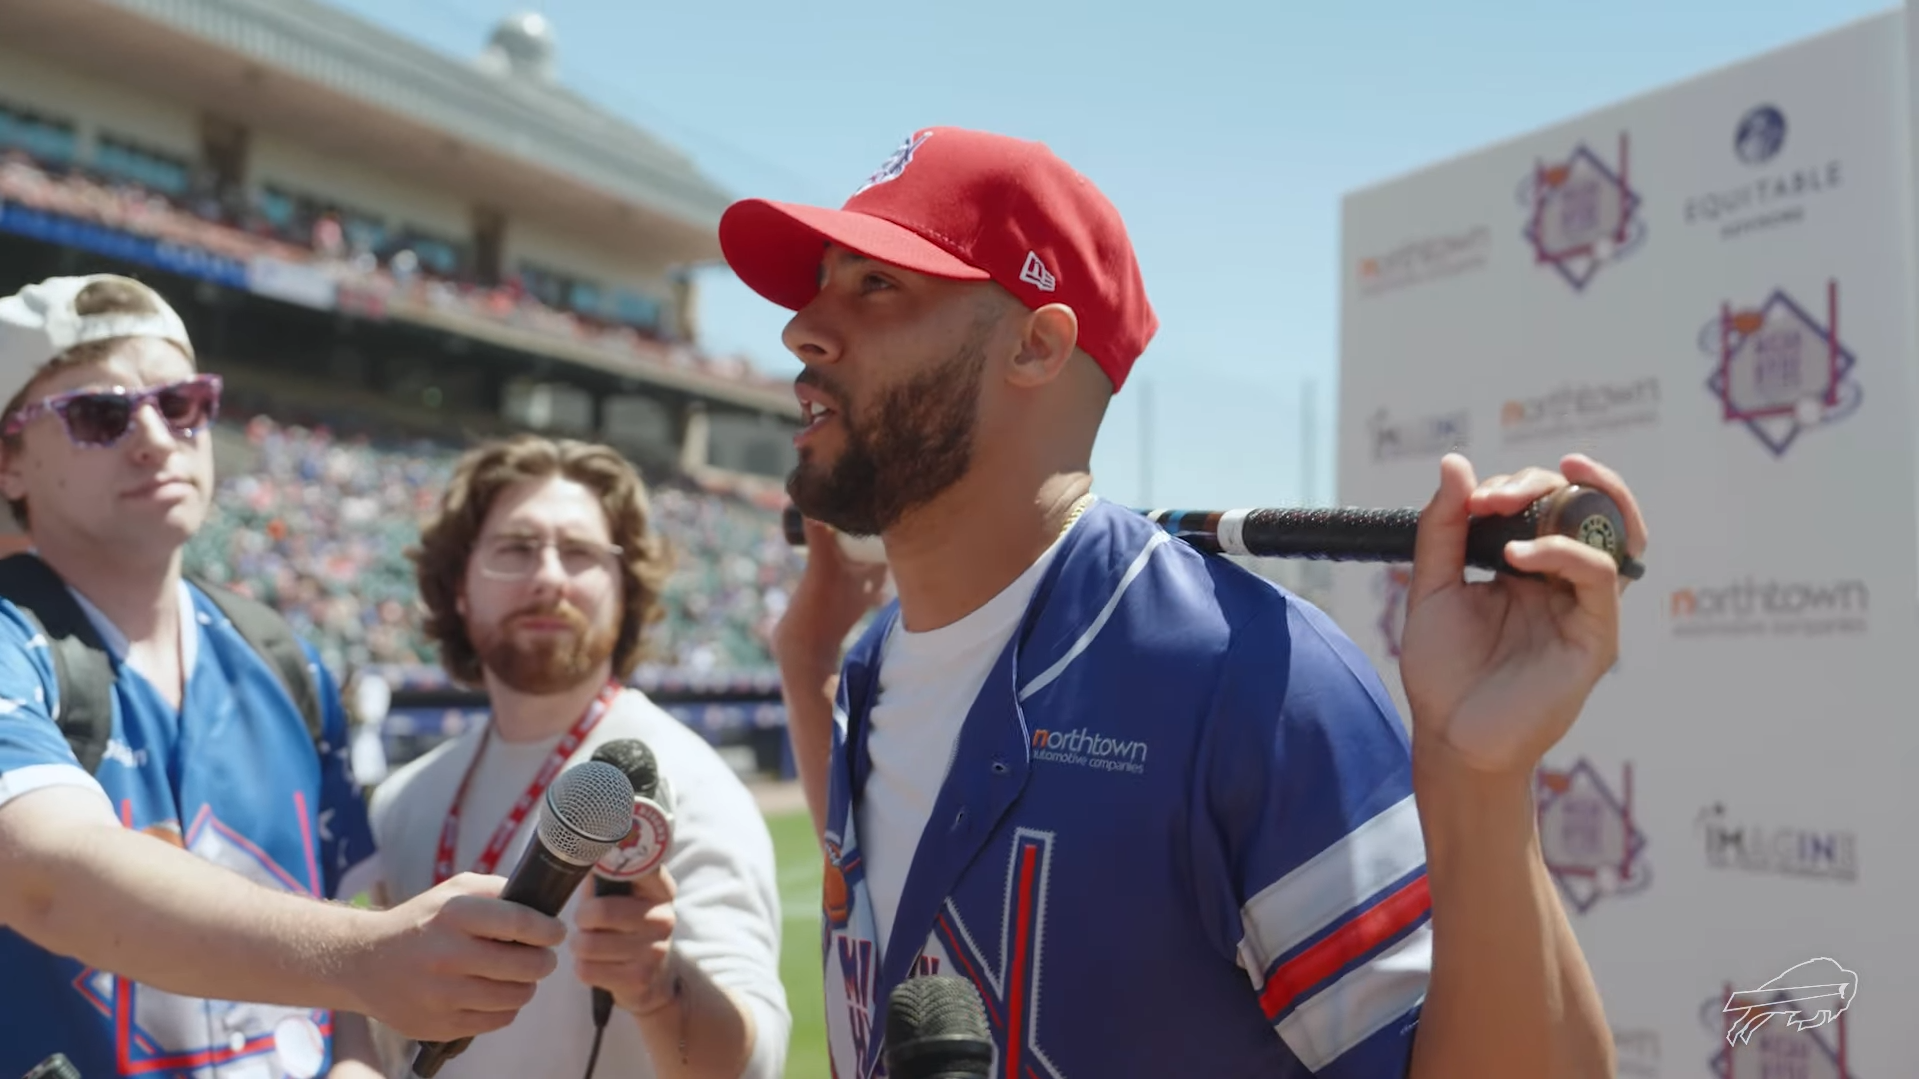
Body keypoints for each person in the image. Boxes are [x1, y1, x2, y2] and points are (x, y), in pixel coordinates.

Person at [719, 126, 1642, 1078]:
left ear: (1036, 347)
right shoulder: (866, 665)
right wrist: (809, 671)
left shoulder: (1247, 679)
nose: (802, 326)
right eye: (823, 281)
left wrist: (1480, 778)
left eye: (876, 285)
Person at [0, 274, 568, 1079]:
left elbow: (343, 913)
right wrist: (368, 959)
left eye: (182, 403)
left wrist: (357, 1060)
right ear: (10, 461)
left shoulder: (280, 655)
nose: (156, 438)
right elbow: (44, 873)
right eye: (100, 414)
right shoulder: (11, 640)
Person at [333, 435, 790, 1079]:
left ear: (623, 589)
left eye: (578, 553)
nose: (547, 576)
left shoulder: (689, 785)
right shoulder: (404, 798)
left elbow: (750, 1065)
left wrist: (661, 992)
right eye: (516, 549)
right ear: (460, 587)